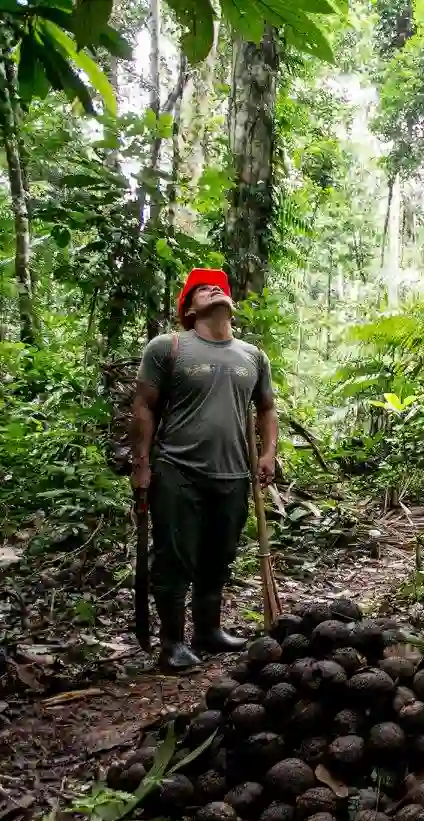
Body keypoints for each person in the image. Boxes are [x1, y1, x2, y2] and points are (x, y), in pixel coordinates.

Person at [130, 268, 278, 670]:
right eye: (200, 290)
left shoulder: (253, 356)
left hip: (233, 474)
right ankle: (173, 642)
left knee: (220, 555)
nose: (212, 289)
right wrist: (141, 465)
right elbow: (143, 406)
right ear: (189, 310)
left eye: (218, 287)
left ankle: (207, 631)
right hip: (178, 469)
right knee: (175, 557)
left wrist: (267, 455)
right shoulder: (169, 347)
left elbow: (266, 409)